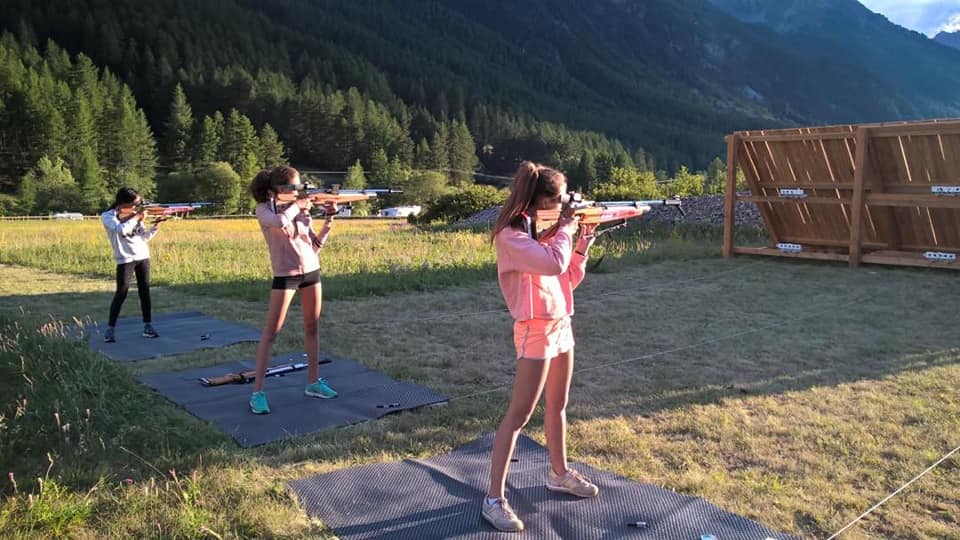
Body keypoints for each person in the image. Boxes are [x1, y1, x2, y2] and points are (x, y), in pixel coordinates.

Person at [482, 161, 599, 532]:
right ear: (539, 202)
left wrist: (582, 244)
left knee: (558, 406)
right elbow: (551, 264)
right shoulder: (511, 238)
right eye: (559, 202)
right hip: (535, 330)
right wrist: (567, 227)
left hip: (561, 323)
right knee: (518, 416)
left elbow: (565, 278)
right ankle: (493, 499)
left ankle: (559, 473)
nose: (564, 208)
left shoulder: (539, 234)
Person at [248, 165, 338, 414]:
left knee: (312, 327)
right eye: (295, 188)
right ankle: (257, 392)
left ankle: (313, 382)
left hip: (310, 270)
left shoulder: (299, 210)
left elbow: (313, 246)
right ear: (279, 190)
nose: (300, 192)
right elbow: (278, 221)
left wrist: (328, 221)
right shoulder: (265, 210)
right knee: (271, 333)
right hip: (285, 275)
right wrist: (299, 205)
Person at [100, 187, 161, 343]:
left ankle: (148, 326)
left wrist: (155, 227)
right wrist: (137, 217)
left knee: (144, 291)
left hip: (142, 256)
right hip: (125, 259)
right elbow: (120, 230)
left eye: (137, 204)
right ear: (123, 203)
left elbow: (143, 237)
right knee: (121, 292)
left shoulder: (134, 217)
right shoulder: (108, 216)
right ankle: (110, 329)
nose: (136, 207)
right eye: (134, 203)